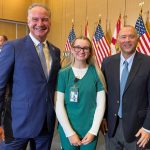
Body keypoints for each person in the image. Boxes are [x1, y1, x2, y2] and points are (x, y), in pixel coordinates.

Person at [0, 3, 61, 150]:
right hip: (17, 125)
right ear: (28, 22)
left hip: (46, 125)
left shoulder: (55, 51)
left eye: (44, 19)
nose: (40, 23)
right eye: (35, 19)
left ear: (50, 22)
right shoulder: (13, 47)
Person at [101, 25, 150, 150]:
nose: (127, 40)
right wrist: (103, 117)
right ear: (118, 40)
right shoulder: (107, 62)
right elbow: (103, 95)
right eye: (123, 37)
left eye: (131, 36)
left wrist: (147, 128)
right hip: (112, 127)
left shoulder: (147, 63)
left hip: (139, 130)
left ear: (138, 40)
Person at [55, 36, 106, 150]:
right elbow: (58, 105)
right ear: (72, 49)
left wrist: (93, 131)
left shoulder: (96, 73)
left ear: (90, 51)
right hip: (68, 128)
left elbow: (101, 105)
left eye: (85, 48)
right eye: (78, 47)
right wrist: (69, 133)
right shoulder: (63, 74)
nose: (81, 51)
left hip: (90, 129)